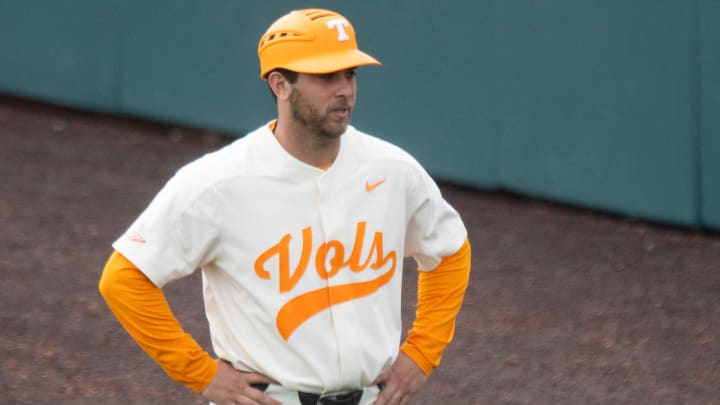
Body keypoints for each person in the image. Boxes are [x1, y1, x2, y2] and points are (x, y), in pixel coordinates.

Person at [99, 8, 471, 405]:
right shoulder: (218, 182)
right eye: (326, 76)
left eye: (350, 74)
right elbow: (124, 279)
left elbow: (449, 250)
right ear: (280, 84)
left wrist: (422, 354)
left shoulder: (393, 171)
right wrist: (200, 373)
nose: (344, 89)